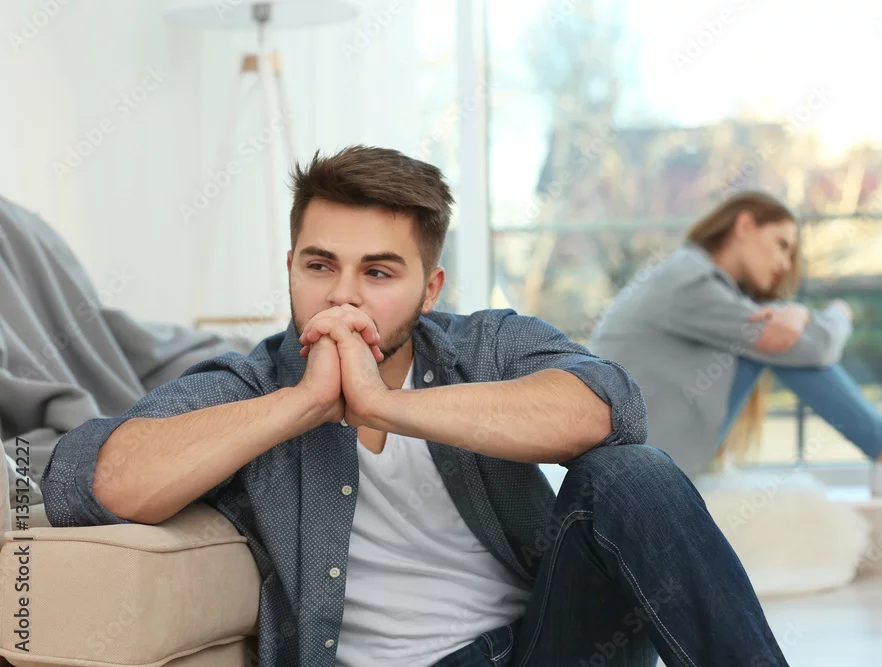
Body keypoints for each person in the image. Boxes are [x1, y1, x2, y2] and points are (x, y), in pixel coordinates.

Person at [41, 147, 789, 667]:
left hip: (543, 648)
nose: (342, 296)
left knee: (632, 473)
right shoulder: (251, 384)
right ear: (291, 268)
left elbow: (609, 410)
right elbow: (93, 481)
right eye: (320, 265)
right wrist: (304, 402)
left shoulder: (484, 344)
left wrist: (385, 407)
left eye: (378, 272)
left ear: (430, 290)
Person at [589, 190, 882, 497]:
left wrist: (795, 315)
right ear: (744, 225)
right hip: (641, 460)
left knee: (774, 335)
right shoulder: (689, 283)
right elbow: (815, 348)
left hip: (642, 449)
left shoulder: (688, 276)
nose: (784, 263)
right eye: (781, 244)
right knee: (777, 341)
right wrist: (839, 313)